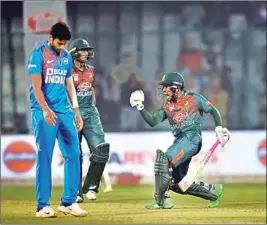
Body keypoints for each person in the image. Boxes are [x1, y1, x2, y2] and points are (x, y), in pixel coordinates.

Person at [130, 72, 230, 209]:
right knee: (178, 183)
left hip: (192, 139)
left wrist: (219, 129)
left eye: (166, 86)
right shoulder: (168, 106)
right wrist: (140, 107)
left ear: (176, 87)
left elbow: (213, 111)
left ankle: (162, 201)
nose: (164, 90)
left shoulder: (194, 98)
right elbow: (153, 121)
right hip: (180, 141)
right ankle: (213, 191)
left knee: (163, 160)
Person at [28, 22, 87, 218]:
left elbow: (70, 85)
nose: (62, 47)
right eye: (60, 43)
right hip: (44, 111)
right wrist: (45, 109)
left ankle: (69, 202)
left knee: (74, 154)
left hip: (64, 112)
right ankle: (42, 206)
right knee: (45, 157)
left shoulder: (66, 57)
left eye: (65, 44)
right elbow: (36, 87)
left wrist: (76, 111)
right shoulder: (38, 55)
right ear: (51, 38)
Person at [68, 38, 111, 203]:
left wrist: (92, 108)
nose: (86, 53)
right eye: (83, 50)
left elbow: (91, 90)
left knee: (101, 149)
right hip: (72, 113)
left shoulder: (91, 70)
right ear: (74, 52)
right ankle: (76, 192)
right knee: (75, 154)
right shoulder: (67, 71)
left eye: (87, 50)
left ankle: (91, 186)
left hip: (90, 111)